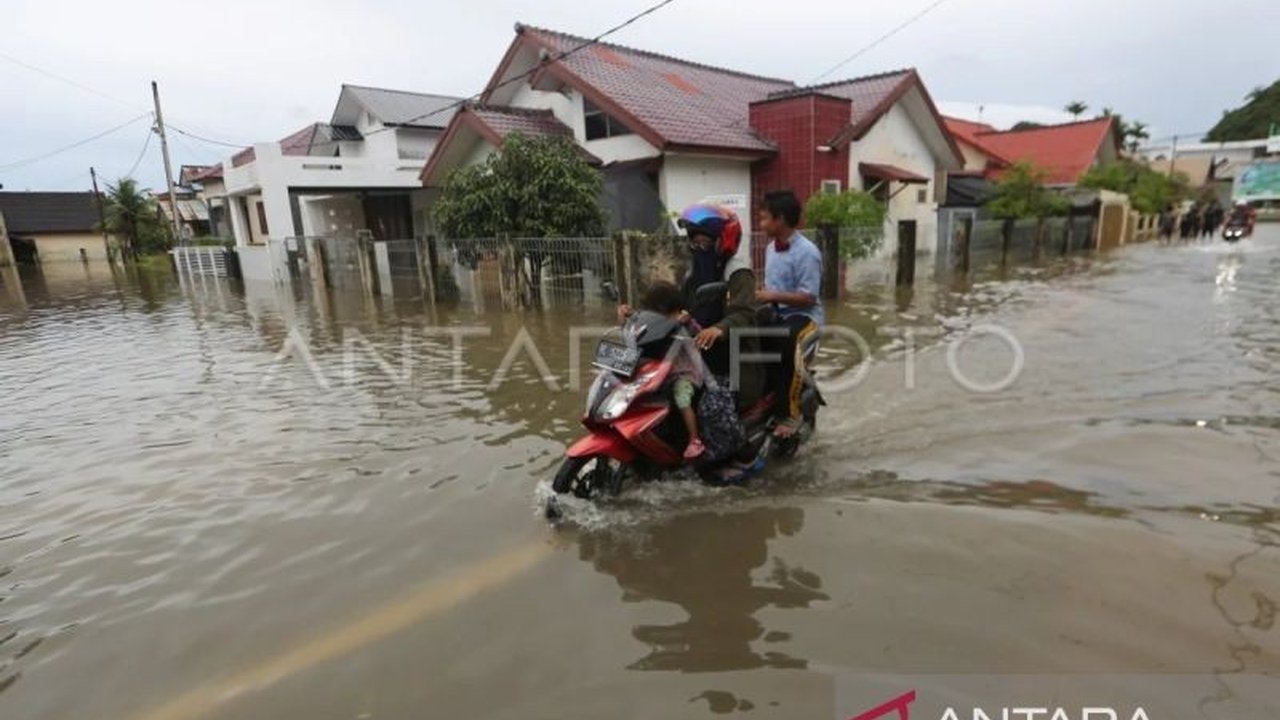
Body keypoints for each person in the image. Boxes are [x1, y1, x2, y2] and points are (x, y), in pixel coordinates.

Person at [756, 189, 823, 439]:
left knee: (789, 344)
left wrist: (771, 296)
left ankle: (791, 414)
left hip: (806, 319)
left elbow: (809, 296)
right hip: (778, 315)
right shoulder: (772, 248)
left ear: (780, 218)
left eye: (764, 218)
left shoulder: (808, 252)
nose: (761, 224)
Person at [633, 281, 707, 459]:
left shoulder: (683, 321)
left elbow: (699, 332)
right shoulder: (654, 322)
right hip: (663, 373)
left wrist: (688, 323)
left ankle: (694, 439)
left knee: (681, 395)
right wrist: (628, 318)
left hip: (686, 373)